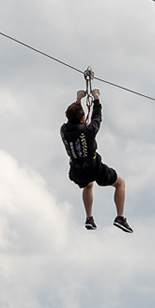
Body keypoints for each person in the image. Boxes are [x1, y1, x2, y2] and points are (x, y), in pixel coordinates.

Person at [62, 87, 130, 232]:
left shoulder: (63, 130)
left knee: (88, 185)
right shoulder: (88, 131)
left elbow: (74, 118)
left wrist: (78, 100)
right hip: (93, 167)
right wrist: (96, 99)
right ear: (82, 118)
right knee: (120, 183)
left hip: (76, 171)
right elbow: (97, 117)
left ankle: (89, 218)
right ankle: (120, 217)